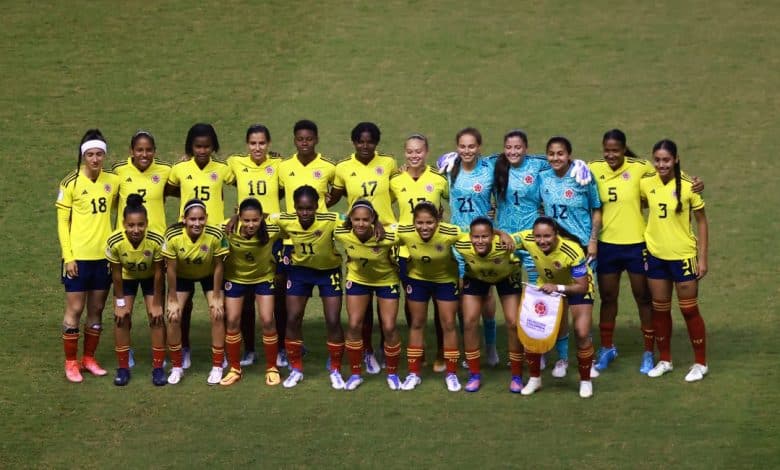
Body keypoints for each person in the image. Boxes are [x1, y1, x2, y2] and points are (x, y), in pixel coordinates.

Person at [589, 129, 704, 374]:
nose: (611, 155)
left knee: (644, 298)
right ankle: (607, 348)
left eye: (616, 150)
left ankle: (649, 352)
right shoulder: (593, 168)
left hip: (638, 245)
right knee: (607, 297)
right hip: (607, 245)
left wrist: (696, 184)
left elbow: (670, 176)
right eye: (607, 150)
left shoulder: (641, 168)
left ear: (624, 149)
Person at [329, 122, 398, 374]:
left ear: (376, 143)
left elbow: (397, 192)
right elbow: (334, 197)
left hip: (386, 236)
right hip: (358, 234)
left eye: (370, 141)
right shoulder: (343, 167)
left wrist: (380, 219)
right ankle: (367, 351)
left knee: (387, 293)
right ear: (354, 142)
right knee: (362, 296)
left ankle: (385, 348)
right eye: (360, 141)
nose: (365, 145)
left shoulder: (389, 163)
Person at [640, 139, 708, 382]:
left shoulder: (689, 186)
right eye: (657, 160)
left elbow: (702, 221)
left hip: (683, 257)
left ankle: (700, 363)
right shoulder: (646, 182)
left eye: (666, 160)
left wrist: (702, 258)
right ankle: (665, 360)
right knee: (660, 310)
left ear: (676, 159)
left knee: (689, 310)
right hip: (656, 256)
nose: (661, 165)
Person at [166, 123, 234, 369]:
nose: (202, 150)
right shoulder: (179, 169)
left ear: (213, 147)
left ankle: (221, 352)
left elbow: (246, 182)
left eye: (207, 146)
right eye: (198, 146)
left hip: (213, 241)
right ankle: (183, 348)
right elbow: (167, 189)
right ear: (190, 147)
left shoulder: (223, 169)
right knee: (182, 307)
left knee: (218, 305)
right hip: (186, 238)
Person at [56, 129, 120, 382]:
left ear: (104, 155)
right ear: (83, 156)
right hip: (78, 258)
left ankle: (89, 358)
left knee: (97, 308)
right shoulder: (70, 182)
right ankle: (71, 362)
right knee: (75, 308)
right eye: (90, 154)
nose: (95, 159)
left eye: (99, 154)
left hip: (103, 258)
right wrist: (68, 256)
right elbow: (62, 222)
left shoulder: (112, 181)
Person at [538, 136, 602, 378]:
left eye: (561, 153)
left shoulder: (582, 176)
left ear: (569, 155)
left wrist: (593, 240)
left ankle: (588, 358)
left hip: (582, 250)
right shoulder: (542, 177)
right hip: (554, 252)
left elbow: (597, 208)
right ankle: (563, 359)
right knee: (559, 307)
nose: (556, 158)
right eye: (551, 153)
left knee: (582, 307)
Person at [270, 185, 345, 389]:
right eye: (301, 208)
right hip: (299, 272)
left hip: (327, 272)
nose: (305, 213)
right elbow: (264, 217)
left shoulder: (331, 219)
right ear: (294, 207)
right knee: (293, 318)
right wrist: (236, 217)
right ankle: (296, 369)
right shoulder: (286, 220)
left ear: (316, 206)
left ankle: (336, 369)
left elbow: (357, 217)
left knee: (333, 320)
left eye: (309, 208)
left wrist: (377, 223)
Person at [514, 217, 596, 398]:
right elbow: (506, 239)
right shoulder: (527, 239)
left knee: (582, 332)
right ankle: (535, 379)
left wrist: (558, 288)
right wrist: (500, 234)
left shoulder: (571, 250)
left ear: (556, 234)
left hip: (576, 286)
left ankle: (585, 381)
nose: (541, 241)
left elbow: (581, 287)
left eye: (547, 236)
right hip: (547, 285)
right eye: (538, 236)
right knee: (532, 330)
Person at [276, 120, 336, 368]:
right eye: (300, 139)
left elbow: (338, 191)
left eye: (309, 139)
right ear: (294, 140)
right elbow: (274, 192)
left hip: (320, 237)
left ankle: (336, 356)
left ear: (316, 139)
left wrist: (323, 209)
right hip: (291, 241)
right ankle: (290, 348)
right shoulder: (282, 167)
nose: (304, 143)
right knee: (290, 302)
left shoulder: (329, 167)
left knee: (329, 311)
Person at [225, 124, 283, 368]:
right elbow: (212, 174)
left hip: (272, 236)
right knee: (245, 298)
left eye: (262, 143)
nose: (257, 148)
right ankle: (249, 349)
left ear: (268, 144)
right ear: (247, 144)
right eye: (253, 143)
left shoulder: (279, 164)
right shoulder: (235, 163)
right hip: (245, 233)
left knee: (278, 295)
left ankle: (281, 348)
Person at [389, 134, 449, 371]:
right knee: (413, 301)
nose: (414, 156)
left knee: (440, 303)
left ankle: (442, 353)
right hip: (406, 251)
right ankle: (419, 350)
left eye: (419, 151)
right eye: (410, 151)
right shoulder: (395, 180)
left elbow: (458, 199)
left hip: (436, 250)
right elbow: (382, 205)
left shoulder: (439, 179)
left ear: (427, 152)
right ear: (404, 153)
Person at [446, 127, 500, 367]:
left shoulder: (489, 169)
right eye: (462, 146)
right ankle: (470, 350)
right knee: (463, 296)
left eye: (471, 146)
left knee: (486, 296)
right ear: (457, 147)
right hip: (459, 241)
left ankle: (491, 346)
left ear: (479, 147)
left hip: (483, 242)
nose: (467, 150)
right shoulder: (450, 169)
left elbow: (503, 195)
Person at [334, 200, 402, 390]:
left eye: (365, 219)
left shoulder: (388, 236)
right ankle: (356, 374)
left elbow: (411, 232)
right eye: (356, 219)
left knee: (389, 327)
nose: (361, 223)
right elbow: (325, 220)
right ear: (351, 219)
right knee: (354, 324)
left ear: (372, 219)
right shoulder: (341, 233)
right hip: (358, 280)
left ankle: (393, 373)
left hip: (386, 281)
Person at [396, 202, 462, 391]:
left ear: (438, 221)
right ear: (413, 222)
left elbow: (475, 234)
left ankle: (451, 374)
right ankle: (413, 373)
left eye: (429, 222)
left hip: (445, 281)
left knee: (449, 324)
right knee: (417, 323)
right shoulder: (405, 232)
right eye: (420, 223)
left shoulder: (451, 232)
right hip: (418, 281)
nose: (424, 227)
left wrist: (500, 234)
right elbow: (383, 232)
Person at [162, 199, 228, 385]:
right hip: (182, 276)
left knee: (217, 313)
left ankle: (217, 365)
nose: (197, 223)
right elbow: (171, 269)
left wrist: (217, 297)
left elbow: (219, 266)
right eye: (192, 219)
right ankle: (177, 366)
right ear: (184, 219)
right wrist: (172, 299)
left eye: (201, 219)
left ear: (206, 218)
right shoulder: (173, 235)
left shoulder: (216, 235)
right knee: (173, 316)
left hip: (209, 275)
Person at [455, 217, 525, 392]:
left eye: (485, 236)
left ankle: (516, 376)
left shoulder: (504, 243)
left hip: (507, 277)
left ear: (492, 236)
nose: (480, 241)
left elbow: (532, 236)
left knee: (513, 323)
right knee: (469, 322)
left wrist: (504, 234)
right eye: (476, 237)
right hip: (476, 277)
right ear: (470, 236)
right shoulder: (462, 243)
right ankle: (474, 375)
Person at [220, 197, 282, 386]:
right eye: (246, 220)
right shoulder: (228, 228)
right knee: (232, 321)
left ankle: (272, 367)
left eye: (255, 220)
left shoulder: (272, 229)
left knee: (268, 320)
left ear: (262, 218)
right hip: (235, 279)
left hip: (263, 278)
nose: (251, 224)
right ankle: (234, 369)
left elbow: (289, 220)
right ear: (239, 218)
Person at [106, 194, 166, 386]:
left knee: (156, 318)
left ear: (147, 223)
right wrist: (120, 303)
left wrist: (157, 303)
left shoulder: (156, 240)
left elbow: (159, 273)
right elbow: (116, 274)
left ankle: (158, 368)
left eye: (140, 225)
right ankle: (123, 368)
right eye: (131, 225)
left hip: (151, 278)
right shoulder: (115, 241)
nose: (136, 229)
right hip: (126, 279)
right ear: (124, 224)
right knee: (121, 319)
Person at [113, 130, 171, 235]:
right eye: (139, 150)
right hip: (126, 238)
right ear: (131, 151)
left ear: (155, 151)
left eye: (149, 150)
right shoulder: (119, 170)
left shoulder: (166, 170)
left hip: (157, 236)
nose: (144, 154)